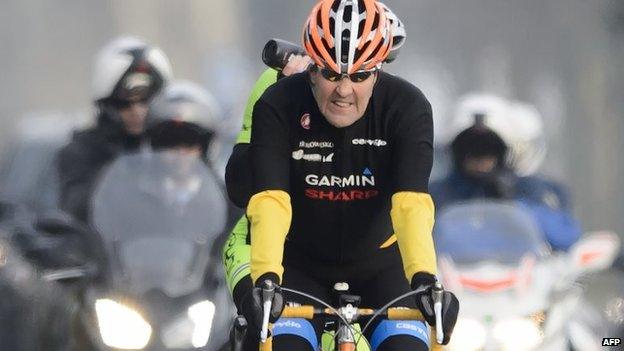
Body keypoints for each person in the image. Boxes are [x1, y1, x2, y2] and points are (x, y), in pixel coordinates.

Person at [224, 1, 459, 350]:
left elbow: (410, 205)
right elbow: (270, 200)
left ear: (378, 71)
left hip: (382, 265)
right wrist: (268, 280)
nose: (344, 90)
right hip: (300, 265)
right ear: (312, 70)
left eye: (360, 76)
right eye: (332, 74)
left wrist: (424, 279)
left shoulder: (407, 107)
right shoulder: (279, 102)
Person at [56, 36, 172, 222]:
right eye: (125, 103)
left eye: (146, 101)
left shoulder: (175, 145)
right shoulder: (83, 151)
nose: (137, 111)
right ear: (107, 104)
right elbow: (75, 208)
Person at [430, 109, 582, 251]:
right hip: (454, 274)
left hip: (517, 274)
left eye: (489, 148)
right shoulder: (437, 194)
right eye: (470, 148)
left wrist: (515, 203)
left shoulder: (525, 188)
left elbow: (564, 237)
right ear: (457, 153)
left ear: (502, 152)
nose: (481, 158)